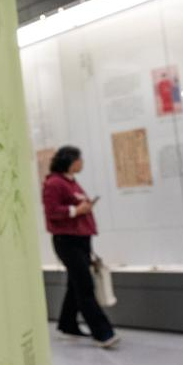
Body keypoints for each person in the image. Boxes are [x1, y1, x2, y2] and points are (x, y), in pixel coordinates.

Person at [42, 146, 119, 348]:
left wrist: (82, 208)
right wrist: (76, 210)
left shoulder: (71, 182)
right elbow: (52, 211)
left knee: (75, 285)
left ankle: (67, 324)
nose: (81, 162)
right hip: (67, 240)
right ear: (70, 160)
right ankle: (103, 333)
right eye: (79, 159)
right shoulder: (54, 183)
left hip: (81, 238)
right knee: (85, 286)